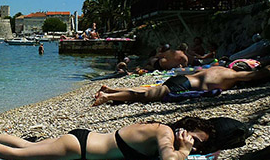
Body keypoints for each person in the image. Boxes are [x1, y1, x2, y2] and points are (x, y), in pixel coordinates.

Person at [0, 116, 214, 160]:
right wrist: (184, 150)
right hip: (78, 148)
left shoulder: (160, 129)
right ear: (186, 129)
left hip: (81, 140)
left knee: (26, 145)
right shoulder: (165, 134)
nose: (196, 145)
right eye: (196, 139)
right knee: (17, 156)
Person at [93, 64, 270, 106]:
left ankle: (111, 89)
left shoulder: (220, 67)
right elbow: (257, 75)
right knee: (146, 96)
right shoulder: (233, 75)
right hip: (185, 85)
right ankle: (107, 96)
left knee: (149, 89)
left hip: (181, 79)